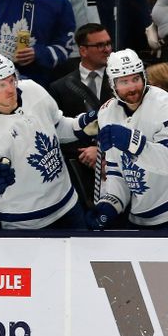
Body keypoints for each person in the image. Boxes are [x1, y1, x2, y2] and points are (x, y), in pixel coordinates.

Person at [0, 52, 94, 229]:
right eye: (1, 85)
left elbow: (57, 126)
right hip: (25, 223)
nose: (10, 89)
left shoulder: (33, 90)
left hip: (68, 206)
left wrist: (80, 125)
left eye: (11, 80)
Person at [88, 48, 168, 230]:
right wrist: (110, 203)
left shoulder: (166, 104)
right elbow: (117, 169)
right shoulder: (106, 113)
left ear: (144, 77)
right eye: (124, 81)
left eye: (136, 79)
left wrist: (132, 142)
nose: (132, 87)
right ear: (112, 84)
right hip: (139, 213)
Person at [49, 23, 114, 208]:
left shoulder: (124, 80)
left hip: (118, 167)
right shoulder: (60, 87)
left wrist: (102, 153)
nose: (107, 49)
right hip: (79, 173)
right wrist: (87, 154)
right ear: (83, 50)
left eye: (109, 43)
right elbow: (59, 133)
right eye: (100, 45)